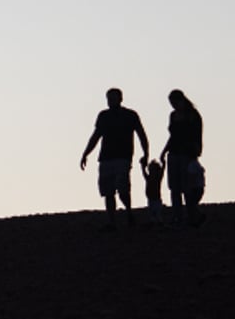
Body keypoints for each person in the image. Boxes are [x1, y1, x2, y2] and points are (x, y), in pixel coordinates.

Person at [81, 88, 149, 230]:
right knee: (108, 191)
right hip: (106, 157)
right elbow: (96, 136)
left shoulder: (130, 115)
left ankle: (129, 211)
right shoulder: (103, 116)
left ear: (120, 99)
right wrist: (86, 153)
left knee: (123, 189)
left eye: (113, 98)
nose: (110, 101)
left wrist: (146, 153)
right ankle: (112, 220)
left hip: (123, 157)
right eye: (109, 98)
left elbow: (141, 134)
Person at [159, 89, 204, 226]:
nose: (173, 105)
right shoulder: (173, 116)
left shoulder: (192, 115)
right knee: (174, 187)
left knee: (187, 187)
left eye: (174, 102)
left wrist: (196, 151)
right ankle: (177, 216)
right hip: (174, 153)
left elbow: (197, 135)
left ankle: (192, 215)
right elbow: (172, 136)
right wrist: (164, 151)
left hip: (187, 154)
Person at [143, 159, 165, 225]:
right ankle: (154, 221)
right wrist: (142, 166)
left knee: (157, 213)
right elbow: (144, 173)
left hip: (157, 199)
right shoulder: (149, 178)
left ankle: (159, 221)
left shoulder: (158, 177)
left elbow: (163, 170)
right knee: (152, 212)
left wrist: (164, 163)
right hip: (150, 199)